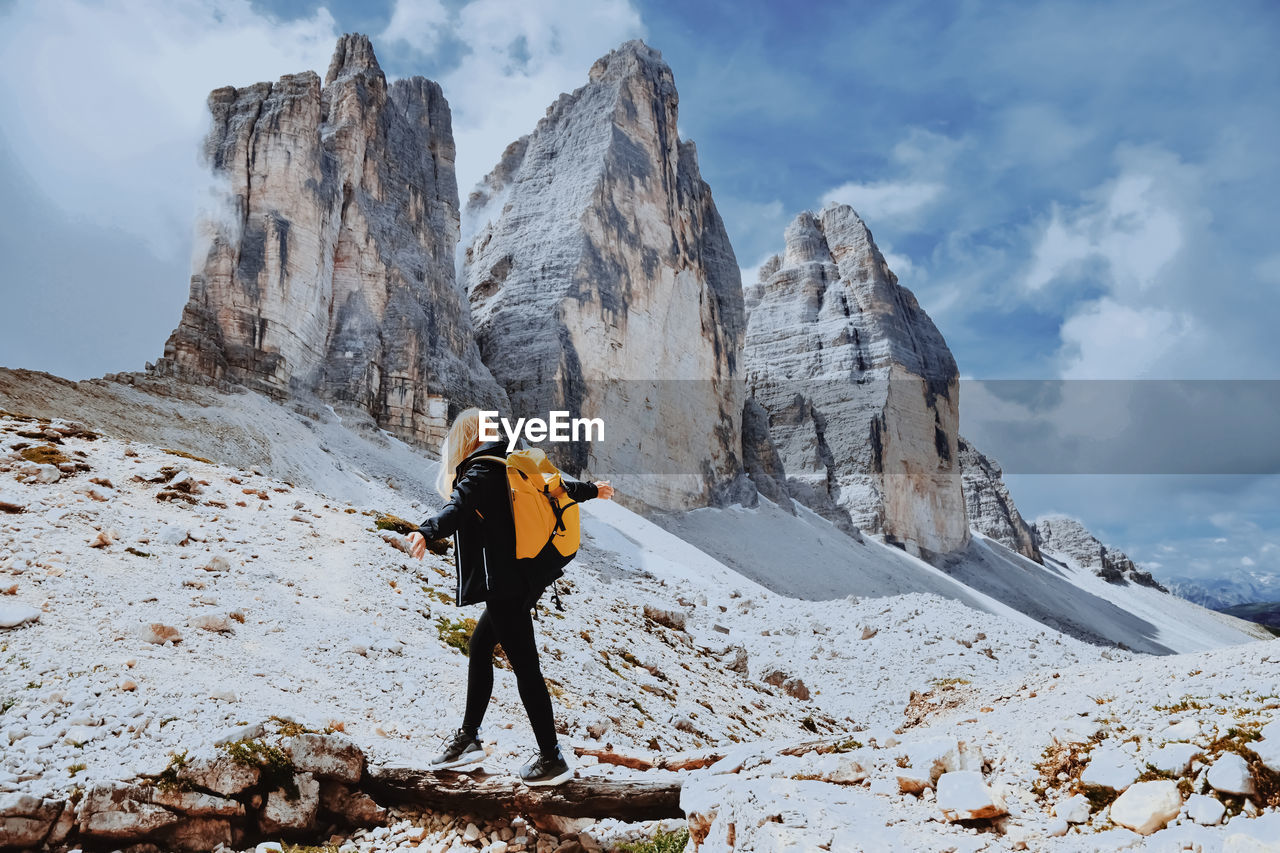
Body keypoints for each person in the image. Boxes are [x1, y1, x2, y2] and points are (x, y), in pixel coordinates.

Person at [407, 407, 614, 786]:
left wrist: (426, 530)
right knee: (480, 644)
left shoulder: (481, 469)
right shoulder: (510, 464)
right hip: (527, 576)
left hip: (504, 585)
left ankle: (550, 757)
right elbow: (560, 488)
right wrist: (594, 492)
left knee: (525, 668)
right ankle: (468, 738)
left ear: (465, 438)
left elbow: (457, 507)